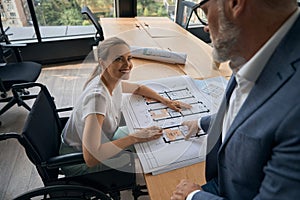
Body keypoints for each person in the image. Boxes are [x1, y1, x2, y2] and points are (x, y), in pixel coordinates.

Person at [171, 0, 300, 199]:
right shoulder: (250, 47)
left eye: (205, 12)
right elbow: (247, 112)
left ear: (235, 3)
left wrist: (193, 196)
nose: (205, 26)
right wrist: (199, 122)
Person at [60, 37, 190, 176]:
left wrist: (165, 101)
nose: (127, 64)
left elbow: (138, 88)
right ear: (102, 63)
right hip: (76, 161)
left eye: (129, 58)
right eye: (118, 59)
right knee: (148, 146)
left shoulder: (110, 79)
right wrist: (135, 137)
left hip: (99, 142)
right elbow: (91, 158)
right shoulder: (97, 98)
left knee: (149, 136)